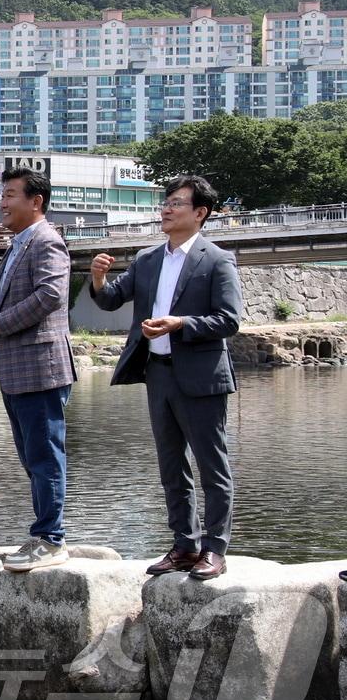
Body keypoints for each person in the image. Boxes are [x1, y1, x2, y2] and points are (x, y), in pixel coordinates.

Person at [89, 175, 243, 581]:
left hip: (202, 377)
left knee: (212, 466)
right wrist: (99, 277)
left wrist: (180, 323)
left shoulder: (217, 259)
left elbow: (228, 321)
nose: (166, 209)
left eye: (176, 203)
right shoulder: (148, 258)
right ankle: (184, 545)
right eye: (166, 202)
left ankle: (215, 548)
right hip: (158, 375)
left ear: (200, 213)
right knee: (171, 467)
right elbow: (109, 300)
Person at [0, 167, 77, 572]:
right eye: (3, 194)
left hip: (40, 366)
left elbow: (49, 296)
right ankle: (44, 534)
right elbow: (8, 299)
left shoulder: (47, 241)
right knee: (34, 457)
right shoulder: (18, 244)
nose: (2, 202)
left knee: (45, 457)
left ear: (36, 202)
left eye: (10, 194)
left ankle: (51, 539)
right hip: (18, 367)